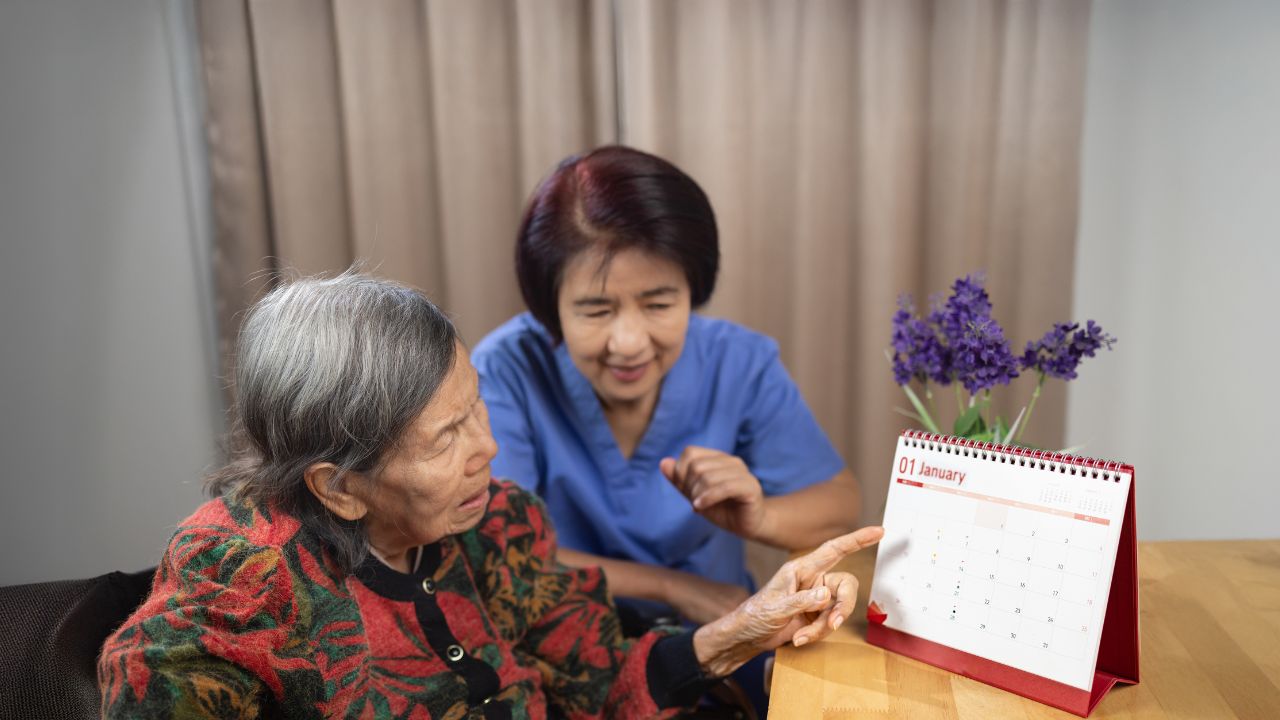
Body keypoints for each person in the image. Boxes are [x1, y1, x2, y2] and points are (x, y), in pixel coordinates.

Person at [97, 272, 882, 719]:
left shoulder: (493, 521)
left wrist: (748, 625)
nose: (490, 449)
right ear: (338, 488)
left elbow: (602, 680)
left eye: (477, 407)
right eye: (446, 438)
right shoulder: (242, 588)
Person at [471, 145, 865, 713]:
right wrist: (674, 587)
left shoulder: (739, 362)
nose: (629, 343)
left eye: (658, 303)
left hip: (727, 647)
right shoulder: (506, 370)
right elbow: (499, 552)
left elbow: (839, 505)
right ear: (549, 306)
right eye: (596, 310)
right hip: (561, 654)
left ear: (693, 290)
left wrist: (761, 519)